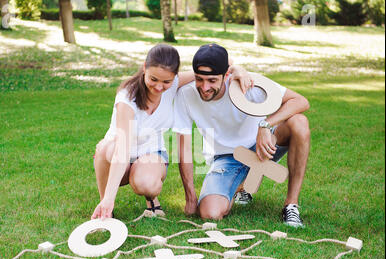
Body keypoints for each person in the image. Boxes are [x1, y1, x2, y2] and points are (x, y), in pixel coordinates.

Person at [91, 43, 253, 220]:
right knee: (106, 148)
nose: (159, 87)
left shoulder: (175, 84)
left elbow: (222, 63)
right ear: (144, 68)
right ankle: (105, 207)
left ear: (175, 77)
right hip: (117, 154)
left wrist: (240, 70)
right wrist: (109, 198)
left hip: (150, 153)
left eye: (166, 81)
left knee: (146, 183)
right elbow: (122, 149)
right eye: (153, 79)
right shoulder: (127, 98)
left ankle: (151, 200)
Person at [173, 43, 310, 227]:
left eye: (212, 80)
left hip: (263, 146)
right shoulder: (185, 94)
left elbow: (300, 101)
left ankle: (291, 205)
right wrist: (190, 198)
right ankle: (244, 184)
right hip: (226, 158)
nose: (204, 87)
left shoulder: (248, 84)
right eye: (199, 79)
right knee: (210, 213)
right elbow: (183, 148)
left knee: (299, 122)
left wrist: (266, 124)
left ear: (226, 75)